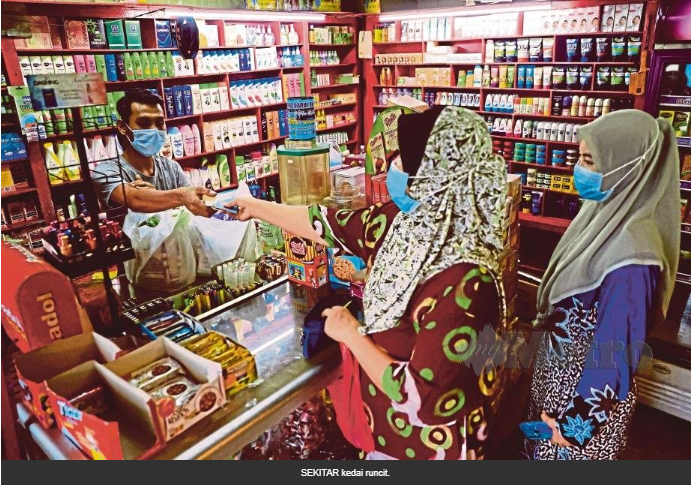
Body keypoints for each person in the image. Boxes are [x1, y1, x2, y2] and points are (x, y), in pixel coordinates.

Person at [228, 107, 510, 460]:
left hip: (431, 449)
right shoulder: (406, 220)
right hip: (386, 434)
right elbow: (324, 223)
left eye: (402, 159)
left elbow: (425, 400)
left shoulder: (467, 280)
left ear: (433, 175)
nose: (392, 167)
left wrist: (352, 334)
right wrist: (254, 207)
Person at [523, 110, 680, 460]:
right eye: (580, 159)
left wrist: (575, 428)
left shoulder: (633, 256)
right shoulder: (599, 216)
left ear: (627, 167)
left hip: (579, 409)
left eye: (590, 161)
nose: (579, 170)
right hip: (555, 385)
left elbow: (616, 350)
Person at [92, 88, 214, 216]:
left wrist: (154, 196)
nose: (154, 130)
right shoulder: (105, 172)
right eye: (144, 123)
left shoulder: (172, 168)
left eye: (160, 122)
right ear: (123, 127)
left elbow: (190, 209)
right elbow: (135, 199)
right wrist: (179, 197)